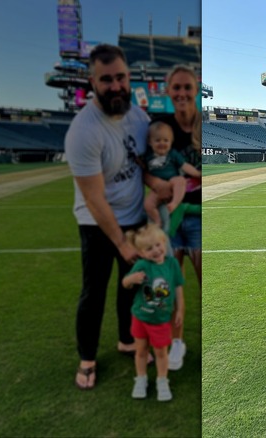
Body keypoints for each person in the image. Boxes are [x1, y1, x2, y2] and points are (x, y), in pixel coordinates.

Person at [64, 44, 150, 390]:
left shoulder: (138, 116)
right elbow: (93, 198)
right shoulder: (83, 130)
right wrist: (120, 242)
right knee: (94, 291)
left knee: (129, 287)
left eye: (120, 77)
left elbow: (145, 164)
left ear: (128, 77)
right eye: (106, 79)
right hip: (97, 224)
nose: (115, 85)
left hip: (135, 219)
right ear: (92, 81)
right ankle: (87, 358)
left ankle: (126, 339)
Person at [145, 65, 202, 371]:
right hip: (168, 218)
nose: (181, 93)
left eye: (187, 87)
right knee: (168, 284)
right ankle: (173, 343)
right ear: (168, 91)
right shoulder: (160, 125)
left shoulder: (201, 125)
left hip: (197, 217)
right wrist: (156, 185)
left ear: (196, 90)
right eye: (176, 88)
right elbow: (146, 166)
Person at [121, 223, 185, 401]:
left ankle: (162, 380)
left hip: (161, 320)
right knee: (141, 350)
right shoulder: (142, 265)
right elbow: (125, 283)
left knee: (161, 353)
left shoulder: (172, 264)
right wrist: (131, 279)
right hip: (140, 317)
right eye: (149, 249)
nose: (156, 250)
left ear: (164, 242)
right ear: (141, 253)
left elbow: (178, 289)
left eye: (158, 245)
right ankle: (140, 378)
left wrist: (180, 310)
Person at [142, 120, 202, 227]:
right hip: (157, 188)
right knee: (147, 205)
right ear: (150, 142)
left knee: (180, 181)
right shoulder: (148, 156)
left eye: (166, 140)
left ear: (171, 142)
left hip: (172, 182)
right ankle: (157, 221)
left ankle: (174, 203)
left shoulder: (172, 154)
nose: (162, 143)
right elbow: (142, 170)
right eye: (157, 140)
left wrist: (197, 174)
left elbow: (185, 166)